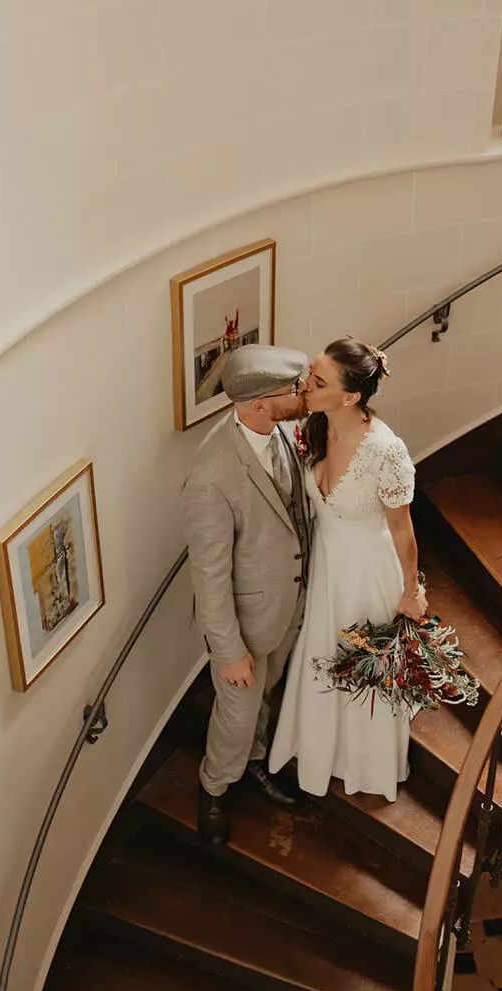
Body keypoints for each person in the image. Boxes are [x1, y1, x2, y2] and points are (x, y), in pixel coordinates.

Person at [269, 337, 426, 803]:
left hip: (366, 573)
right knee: (321, 656)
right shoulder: (316, 427)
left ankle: (366, 760)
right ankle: (320, 749)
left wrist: (411, 591)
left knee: (359, 667)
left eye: (318, 381)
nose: (305, 386)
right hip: (327, 568)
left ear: (351, 396)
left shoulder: (385, 450)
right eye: (309, 375)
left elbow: (403, 530)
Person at [181, 344, 312, 846]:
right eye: (293, 391)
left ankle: (255, 761)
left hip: (286, 608)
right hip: (245, 627)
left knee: (266, 699)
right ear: (260, 403)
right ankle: (214, 786)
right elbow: (209, 577)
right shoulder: (212, 479)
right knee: (234, 717)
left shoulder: (277, 428)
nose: (301, 396)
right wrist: (230, 652)